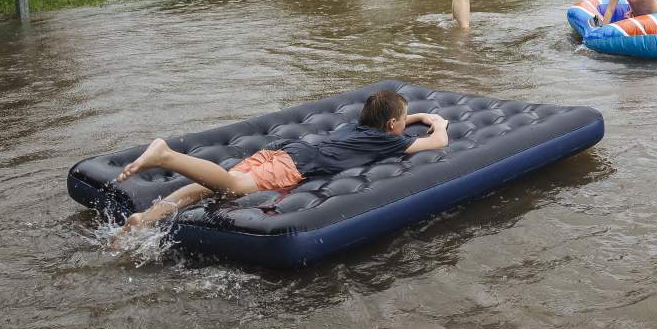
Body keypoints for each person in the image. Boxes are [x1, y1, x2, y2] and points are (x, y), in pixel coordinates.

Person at [116, 91, 449, 234]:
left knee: (214, 187)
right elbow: (438, 141)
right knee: (231, 188)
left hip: (285, 149)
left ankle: (146, 218)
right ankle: (166, 155)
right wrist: (439, 122)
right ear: (393, 127)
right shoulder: (387, 141)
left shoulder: (357, 127)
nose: (407, 123)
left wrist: (417, 113)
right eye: (404, 120)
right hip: (295, 166)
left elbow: (394, 121)